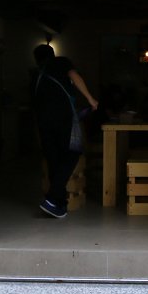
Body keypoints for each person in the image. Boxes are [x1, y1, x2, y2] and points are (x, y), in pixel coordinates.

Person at [32, 44, 98, 219]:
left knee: (54, 161)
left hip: (43, 122)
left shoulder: (38, 75)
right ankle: (53, 199)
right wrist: (90, 99)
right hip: (62, 118)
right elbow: (74, 75)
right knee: (72, 153)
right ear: (53, 54)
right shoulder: (60, 62)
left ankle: (58, 206)